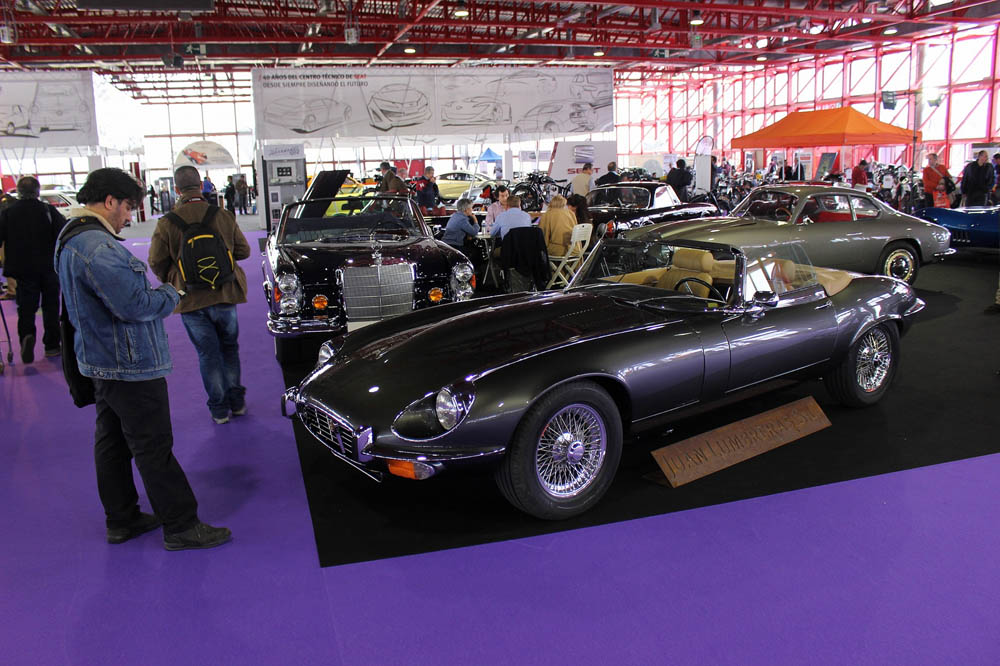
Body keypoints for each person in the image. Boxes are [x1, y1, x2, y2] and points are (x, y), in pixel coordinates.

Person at [56, 167, 231, 550]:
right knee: (153, 445)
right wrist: (172, 293)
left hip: (102, 359)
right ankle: (181, 526)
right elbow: (135, 305)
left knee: (113, 441)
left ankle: (122, 518)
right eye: (127, 208)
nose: (129, 217)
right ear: (109, 202)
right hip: (129, 364)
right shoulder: (98, 248)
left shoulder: (72, 238)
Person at [149, 165, 251, 425]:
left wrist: (174, 278)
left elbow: (156, 261)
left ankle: (219, 410)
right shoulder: (222, 215)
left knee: (208, 355)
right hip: (225, 293)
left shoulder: (167, 222)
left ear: (177, 189)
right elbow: (244, 251)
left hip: (191, 299)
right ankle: (237, 404)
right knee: (230, 349)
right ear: (202, 186)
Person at [0, 176, 67, 363]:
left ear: (19, 192)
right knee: (51, 306)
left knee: (26, 306)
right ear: (37, 192)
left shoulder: (8, 212)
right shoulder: (48, 210)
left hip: (23, 268)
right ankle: (52, 345)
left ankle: (27, 335)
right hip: (48, 266)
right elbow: (62, 233)